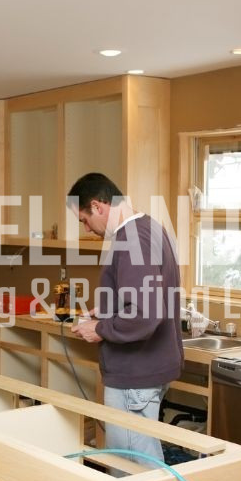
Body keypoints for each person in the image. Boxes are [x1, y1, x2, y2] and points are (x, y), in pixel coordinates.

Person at [68, 172, 182, 465]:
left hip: (135, 376)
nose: (87, 228)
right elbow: (142, 298)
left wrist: (102, 329)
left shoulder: (131, 239)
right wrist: (107, 308)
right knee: (137, 463)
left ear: (98, 206)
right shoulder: (148, 228)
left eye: (84, 219)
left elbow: (144, 313)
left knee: (132, 468)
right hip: (144, 369)